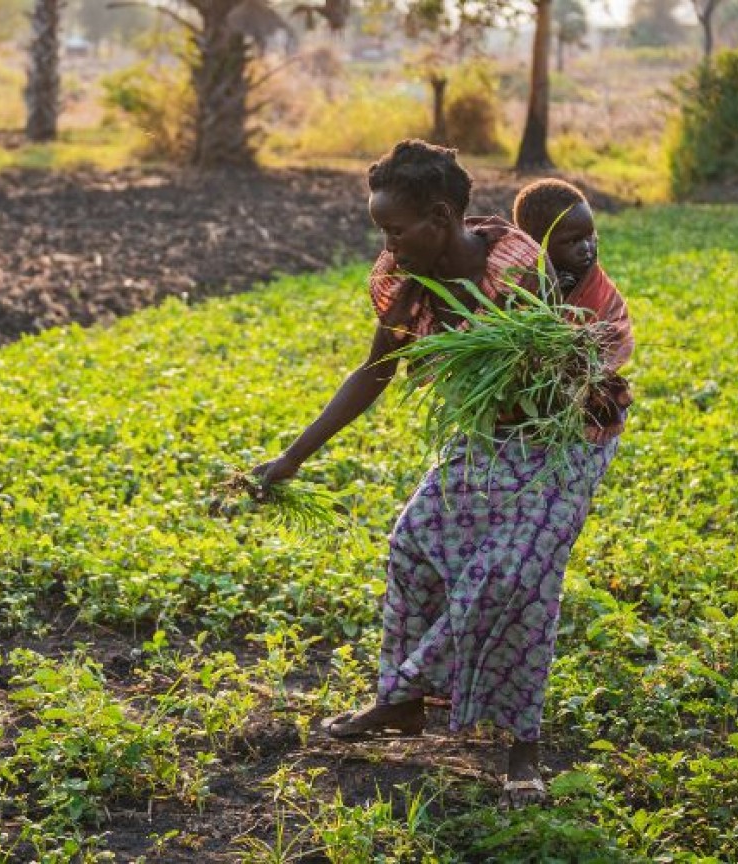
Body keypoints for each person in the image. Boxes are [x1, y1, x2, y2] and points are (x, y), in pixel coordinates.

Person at [253, 140, 617, 808]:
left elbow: (557, 380)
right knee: (413, 543)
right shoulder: (400, 284)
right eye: (381, 231)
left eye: (396, 229)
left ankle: (522, 750)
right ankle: (405, 702)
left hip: (562, 442)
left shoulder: (514, 270)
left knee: (513, 581)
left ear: (442, 217)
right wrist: (292, 457)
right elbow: (374, 371)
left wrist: (532, 375)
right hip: (488, 440)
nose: (387, 244)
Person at [512, 178, 635, 443]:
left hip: (587, 414)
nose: (587, 248)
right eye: (572, 241)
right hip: (527, 413)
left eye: (590, 236)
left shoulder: (597, 287)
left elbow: (615, 331)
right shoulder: (518, 285)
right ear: (536, 245)